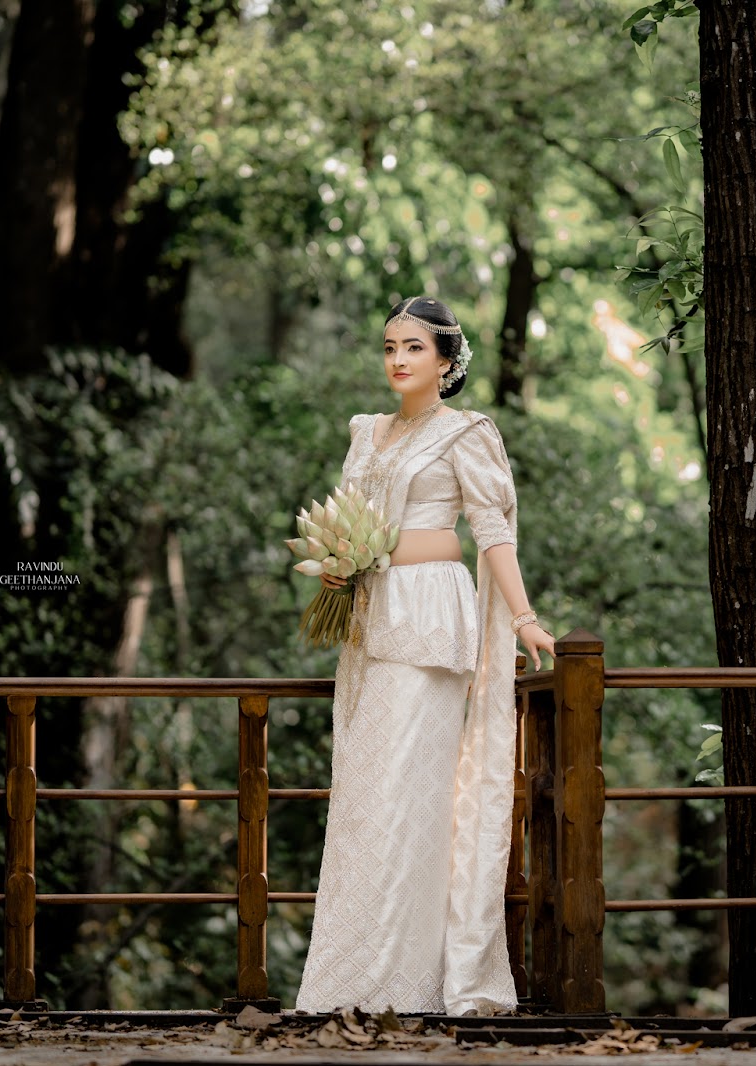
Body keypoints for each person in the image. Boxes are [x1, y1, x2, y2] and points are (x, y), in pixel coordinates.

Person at [294, 295, 557, 1017]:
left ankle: (410, 985)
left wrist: (525, 618)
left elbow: (492, 530)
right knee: (364, 801)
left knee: (409, 799)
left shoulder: (465, 432)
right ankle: (349, 985)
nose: (397, 360)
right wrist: (339, 564)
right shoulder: (366, 432)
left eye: (412, 348)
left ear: (445, 362)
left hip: (429, 620)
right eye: (388, 347)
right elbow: (353, 514)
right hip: (367, 624)